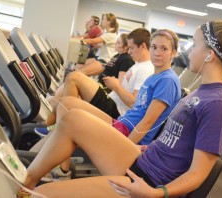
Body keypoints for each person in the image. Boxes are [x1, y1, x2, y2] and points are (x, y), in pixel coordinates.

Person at [20, 20, 222, 197]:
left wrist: (157, 193)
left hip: (148, 181)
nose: (189, 50)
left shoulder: (219, 104)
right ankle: (24, 183)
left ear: (209, 55)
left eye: (195, 44)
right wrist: (148, 145)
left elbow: (198, 174)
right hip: (142, 158)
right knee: (73, 117)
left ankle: (31, 189)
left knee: (46, 194)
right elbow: (175, 140)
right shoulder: (202, 91)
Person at [31, 28, 181, 183]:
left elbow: (148, 122)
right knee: (67, 103)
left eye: (164, 49)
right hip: (121, 124)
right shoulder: (154, 77)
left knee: (71, 112)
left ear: (174, 53)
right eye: (154, 47)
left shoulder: (168, 80)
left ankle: (63, 169)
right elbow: (138, 109)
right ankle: (55, 129)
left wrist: (125, 146)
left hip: (125, 134)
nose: (157, 52)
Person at [35, 28, 154, 136]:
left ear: (142, 46)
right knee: (58, 101)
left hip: (116, 111)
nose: (129, 51)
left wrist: (116, 86)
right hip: (111, 100)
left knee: (74, 78)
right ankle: (50, 129)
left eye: (132, 48)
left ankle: (63, 126)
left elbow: (134, 103)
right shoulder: (139, 65)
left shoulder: (145, 69)